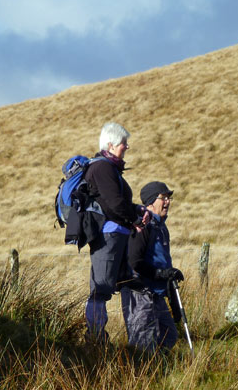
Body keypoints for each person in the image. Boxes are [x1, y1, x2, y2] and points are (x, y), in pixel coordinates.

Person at [83, 122, 152, 344]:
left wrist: (137, 210)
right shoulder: (102, 168)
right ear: (111, 145)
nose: (127, 147)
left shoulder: (109, 168)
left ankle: (138, 339)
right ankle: (95, 339)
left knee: (124, 282)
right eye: (124, 143)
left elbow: (117, 202)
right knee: (101, 287)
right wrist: (134, 220)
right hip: (108, 235)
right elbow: (113, 203)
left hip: (117, 234)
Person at [121, 181, 184, 353]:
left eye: (168, 198)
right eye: (163, 198)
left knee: (169, 336)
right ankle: (143, 376)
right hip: (139, 292)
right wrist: (161, 273)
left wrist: (168, 276)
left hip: (156, 293)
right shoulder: (143, 224)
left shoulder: (160, 226)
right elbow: (134, 262)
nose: (167, 202)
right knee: (143, 345)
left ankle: (162, 371)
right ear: (150, 201)